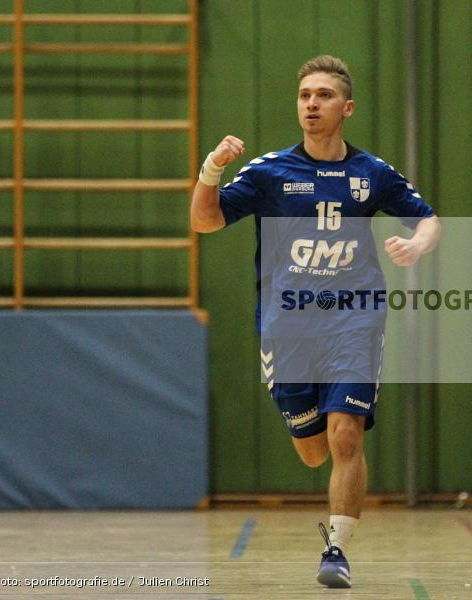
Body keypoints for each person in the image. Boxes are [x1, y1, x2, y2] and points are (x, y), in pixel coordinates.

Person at [190, 55, 440, 589]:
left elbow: (427, 217)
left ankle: (337, 551)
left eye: (323, 95)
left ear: (345, 107)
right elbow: (204, 220)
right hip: (288, 327)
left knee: (346, 434)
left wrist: (417, 243)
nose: (311, 103)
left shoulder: (371, 174)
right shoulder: (270, 172)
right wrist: (213, 168)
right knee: (312, 451)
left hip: (356, 320)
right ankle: (310, 434)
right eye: (305, 94)